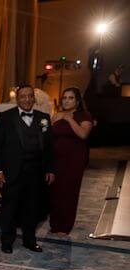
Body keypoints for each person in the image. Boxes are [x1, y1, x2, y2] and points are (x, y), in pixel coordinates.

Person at [0, 84, 55, 254]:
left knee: (31, 208)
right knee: (9, 208)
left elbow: (48, 147)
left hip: (36, 171)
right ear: (17, 99)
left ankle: (29, 240)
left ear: (34, 98)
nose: (27, 99)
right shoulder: (4, 117)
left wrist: (50, 168)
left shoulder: (44, 118)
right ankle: (7, 241)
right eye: (23, 96)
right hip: (11, 171)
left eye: (30, 96)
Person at [49, 87, 93, 236]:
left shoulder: (84, 115)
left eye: (71, 98)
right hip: (56, 159)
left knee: (69, 192)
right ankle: (54, 224)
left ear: (77, 100)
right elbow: (49, 135)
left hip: (74, 160)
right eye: (64, 98)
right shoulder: (56, 115)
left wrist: (69, 119)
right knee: (55, 191)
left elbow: (83, 134)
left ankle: (65, 226)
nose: (66, 101)